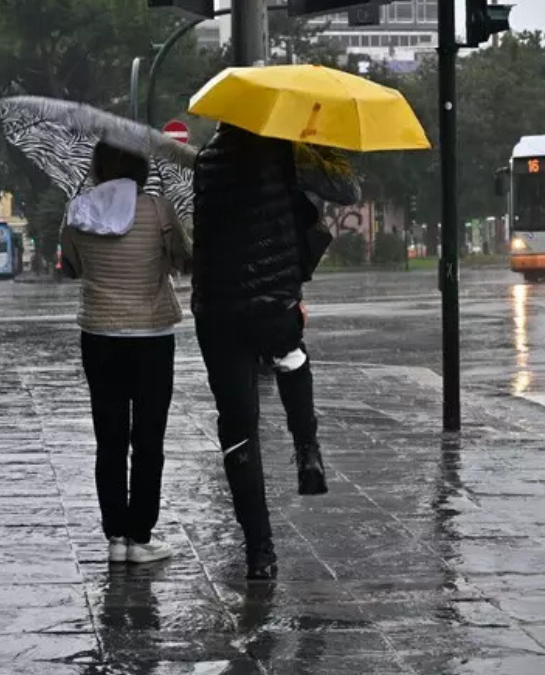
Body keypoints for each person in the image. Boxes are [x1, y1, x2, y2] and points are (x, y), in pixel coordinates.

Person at [191, 123, 359, 581]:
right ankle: (307, 447)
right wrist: (317, 140)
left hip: (218, 311)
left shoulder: (207, 161)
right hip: (275, 304)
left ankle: (259, 552)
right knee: (292, 356)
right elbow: (345, 189)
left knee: (238, 428)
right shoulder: (286, 153)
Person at [60, 141, 191, 565]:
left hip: (98, 335)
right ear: (141, 167)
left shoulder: (78, 211)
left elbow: (73, 268)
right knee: (148, 438)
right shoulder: (159, 211)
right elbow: (183, 260)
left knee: (109, 437)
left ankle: (115, 536)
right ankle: (140, 535)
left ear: (97, 168)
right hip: (151, 337)